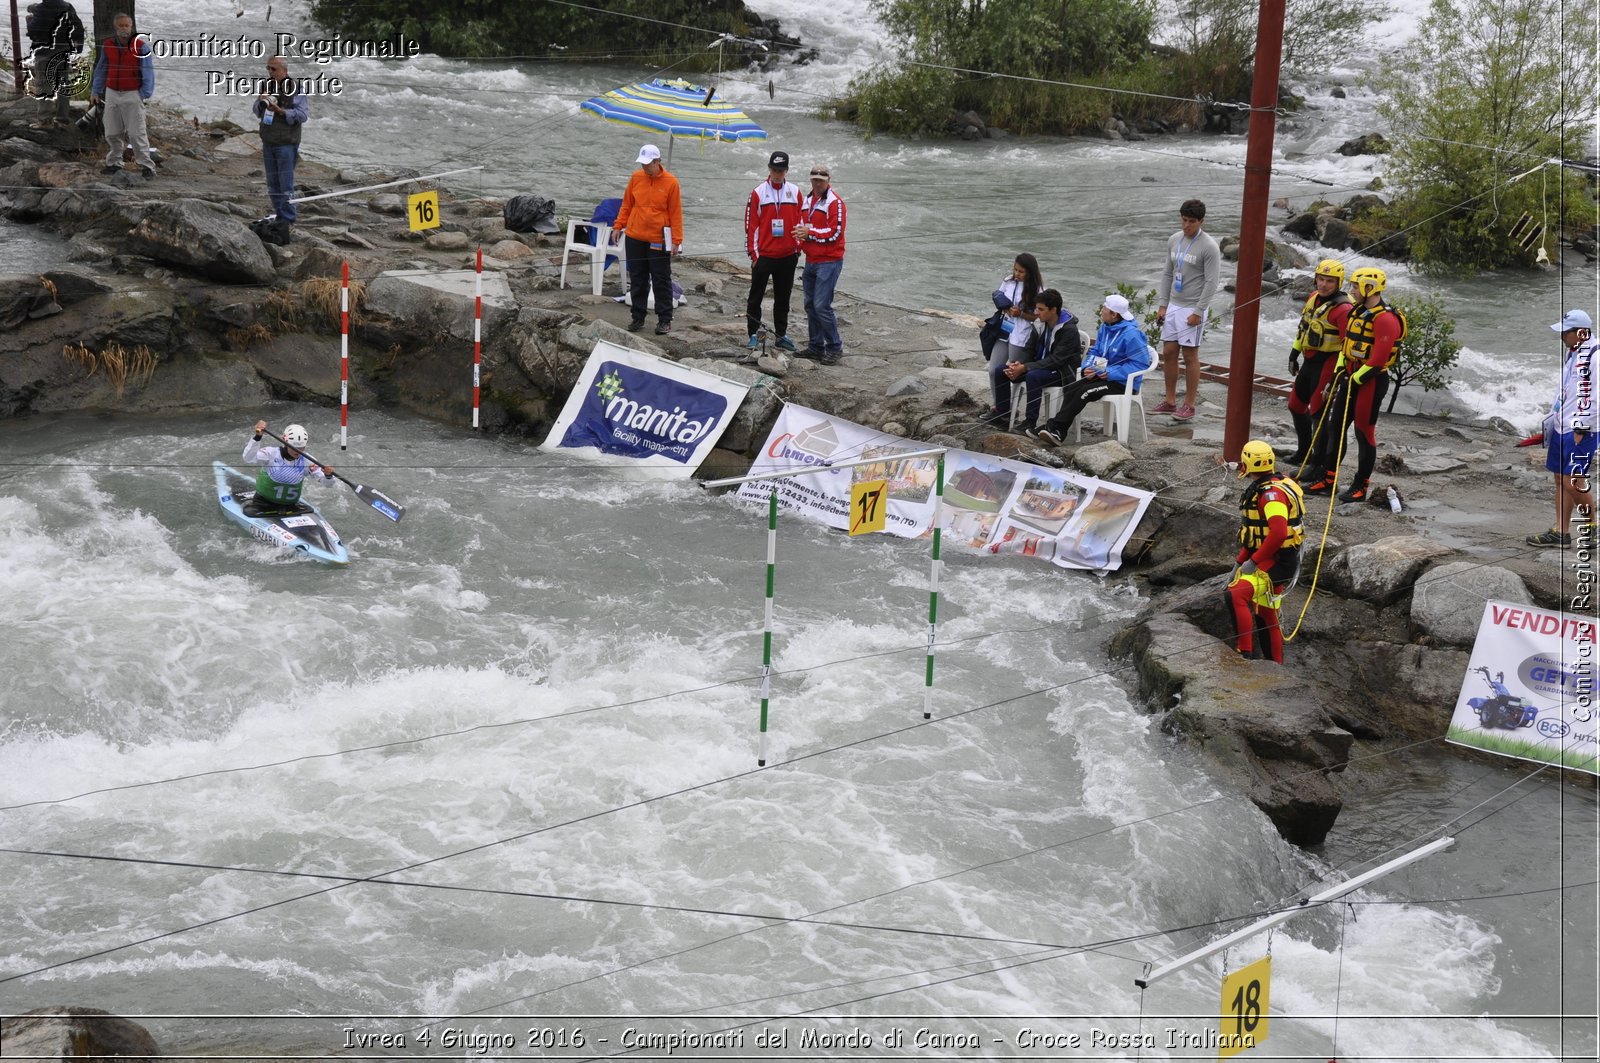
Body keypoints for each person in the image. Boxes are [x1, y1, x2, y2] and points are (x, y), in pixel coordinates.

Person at [1302, 267, 1406, 503]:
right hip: (1349, 378)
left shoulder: (1386, 319)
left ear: (1370, 288)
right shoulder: (1357, 312)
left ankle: (1360, 486)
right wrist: (1339, 372)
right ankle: (1328, 479)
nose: (1352, 290)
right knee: (1334, 427)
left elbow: (1378, 361)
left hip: (1370, 382)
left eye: (1355, 286)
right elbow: (1345, 348)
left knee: (1363, 433)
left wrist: (1354, 379)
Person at [1520, 309, 1596, 547]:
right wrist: (1553, 420)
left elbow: (1595, 398)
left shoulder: (1596, 357)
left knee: (1571, 480)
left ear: (1580, 332)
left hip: (1581, 429)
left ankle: (1592, 526)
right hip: (1562, 425)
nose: (1562, 336)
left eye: (1565, 332)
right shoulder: (1573, 353)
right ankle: (1561, 532)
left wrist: (1581, 428)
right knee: (1559, 479)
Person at [1034, 294, 1152, 446]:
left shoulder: (1132, 335)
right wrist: (1088, 368)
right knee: (1072, 387)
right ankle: (1058, 430)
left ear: (1114, 314)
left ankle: (1056, 428)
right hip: (1102, 375)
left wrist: (1111, 373)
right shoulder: (1105, 327)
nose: (1101, 311)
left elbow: (1141, 365)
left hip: (1123, 383)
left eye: (1104, 308)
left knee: (1086, 392)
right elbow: (1095, 352)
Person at [1227, 439, 1304, 665]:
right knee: (1266, 614)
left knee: (1235, 594)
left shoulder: (1271, 495)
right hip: (1270, 558)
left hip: (1279, 561)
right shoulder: (1266, 486)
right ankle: (1275, 666)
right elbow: (1255, 536)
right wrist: (1239, 563)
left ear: (1248, 464)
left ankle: (1245, 653)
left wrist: (1253, 562)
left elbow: (1278, 533)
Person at [1154, 199, 1222, 422]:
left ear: (1201, 221)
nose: (1186, 225)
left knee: (1190, 355)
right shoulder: (1174, 240)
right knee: (1169, 352)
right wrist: (1163, 305)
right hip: (1174, 304)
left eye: (1191, 221)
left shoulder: (1209, 246)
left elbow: (1212, 282)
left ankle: (1189, 405)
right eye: (1184, 220)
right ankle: (1170, 401)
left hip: (1192, 306)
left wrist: (1199, 310)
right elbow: (1167, 273)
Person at [1281, 259, 1352, 467]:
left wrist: (1335, 377)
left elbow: (1346, 347)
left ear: (1338, 283)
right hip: (1308, 361)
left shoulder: (1343, 309)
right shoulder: (1313, 297)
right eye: (1321, 279)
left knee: (1318, 414)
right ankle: (1304, 452)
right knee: (1295, 405)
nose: (1324, 285)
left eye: (1330, 281)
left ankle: (1317, 464)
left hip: (1328, 363)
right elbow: (1303, 328)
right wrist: (1294, 354)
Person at [981, 289, 1081, 430]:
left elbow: (1056, 360)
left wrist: (1026, 367)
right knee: (1000, 370)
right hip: (1039, 366)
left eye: (1041, 309)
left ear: (1053, 310)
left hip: (1061, 372)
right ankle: (1002, 414)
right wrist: (1018, 364)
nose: (1036, 312)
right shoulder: (1040, 324)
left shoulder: (1069, 330)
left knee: (1034, 376)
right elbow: (1029, 350)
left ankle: (1030, 423)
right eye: (1036, 308)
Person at [614, 143, 683, 336]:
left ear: (657, 161)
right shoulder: (636, 177)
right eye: (642, 163)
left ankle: (665, 319)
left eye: (648, 164)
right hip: (635, 236)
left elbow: (675, 212)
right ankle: (638, 316)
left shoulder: (671, 182)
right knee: (637, 278)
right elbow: (627, 204)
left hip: (658, 238)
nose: (644, 167)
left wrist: (677, 239)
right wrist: (619, 225)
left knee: (661, 279)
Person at [744, 150, 803, 351]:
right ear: (769, 169)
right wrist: (754, 254)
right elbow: (750, 225)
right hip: (764, 255)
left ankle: (780, 335)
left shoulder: (795, 192)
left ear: (786, 170)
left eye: (781, 170)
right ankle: (754, 335)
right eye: (774, 169)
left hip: (788, 255)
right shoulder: (758, 192)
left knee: (783, 299)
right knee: (755, 298)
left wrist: (798, 248)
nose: (777, 173)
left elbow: (802, 221)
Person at [90, 12, 155, 180]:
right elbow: (101, 69)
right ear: (115, 27)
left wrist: (144, 94)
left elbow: (148, 72)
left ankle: (146, 166)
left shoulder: (141, 47)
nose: (124, 29)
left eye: (127, 25)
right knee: (112, 131)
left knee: (136, 133)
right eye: (121, 26)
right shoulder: (108, 45)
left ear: (131, 27)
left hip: (133, 93)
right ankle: (114, 163)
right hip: (112, 92)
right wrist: (96, 91)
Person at [981, 254, 1044, 417]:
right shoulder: (1008, 281)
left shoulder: (1037, 289)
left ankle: (1012, 409)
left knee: (1013, 372)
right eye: (1015, 269)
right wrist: (1005, 307)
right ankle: (999, 408)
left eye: (1021, 271)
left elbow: (1036, 317)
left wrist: (1021, 313)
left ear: (1030, 272)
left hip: (1022, 333)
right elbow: (998, 295)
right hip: (1005, 329)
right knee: (994, 369)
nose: (1017, 274)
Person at [251, 55, 309, 231]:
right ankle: (279, 214)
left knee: (285, 183)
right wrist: (262, 103)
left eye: (273, 69)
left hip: (286, 143)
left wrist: (281, 111)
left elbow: (303, 115)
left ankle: (289, 220)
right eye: (268, 68)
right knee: (272, 182)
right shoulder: (266, 86)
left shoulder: (296, 89)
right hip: (268, 140)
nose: (270, 72)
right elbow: (255, 109)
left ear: (285, 70)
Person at [796, 163, 846, 365]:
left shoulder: (836, 203)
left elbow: (835, 233)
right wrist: (799, 242)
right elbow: (802, 226)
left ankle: (834, 347)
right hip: (811, 260)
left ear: (828, 181)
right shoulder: (807, 200)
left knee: (821, 305)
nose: (817, 184)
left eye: (821, 181)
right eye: (814, 180)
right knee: (810, 305)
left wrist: (810, 234)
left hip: (830, 261)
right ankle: (816, 347)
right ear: (811, 180)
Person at [243, 421, 333, 515]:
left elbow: (328, 484)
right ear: (285, 442)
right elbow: (248, 458)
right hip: (263, 504)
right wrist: (258, 436)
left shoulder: (307, 460)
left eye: (301, 447)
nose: (297, 451)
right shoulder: (271, 454)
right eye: (293, 447)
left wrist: (328, 476)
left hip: (291, 506)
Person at [26, 0, 85, 123]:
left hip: (44, 53)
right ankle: (62, 117)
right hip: (63, 52)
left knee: (44, 86)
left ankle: (45, 121)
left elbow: (33, 31)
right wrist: (78, 48)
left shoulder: (41, 9)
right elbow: (78, 27)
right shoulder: (68, 7)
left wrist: (29, 21)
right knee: (63, 85)